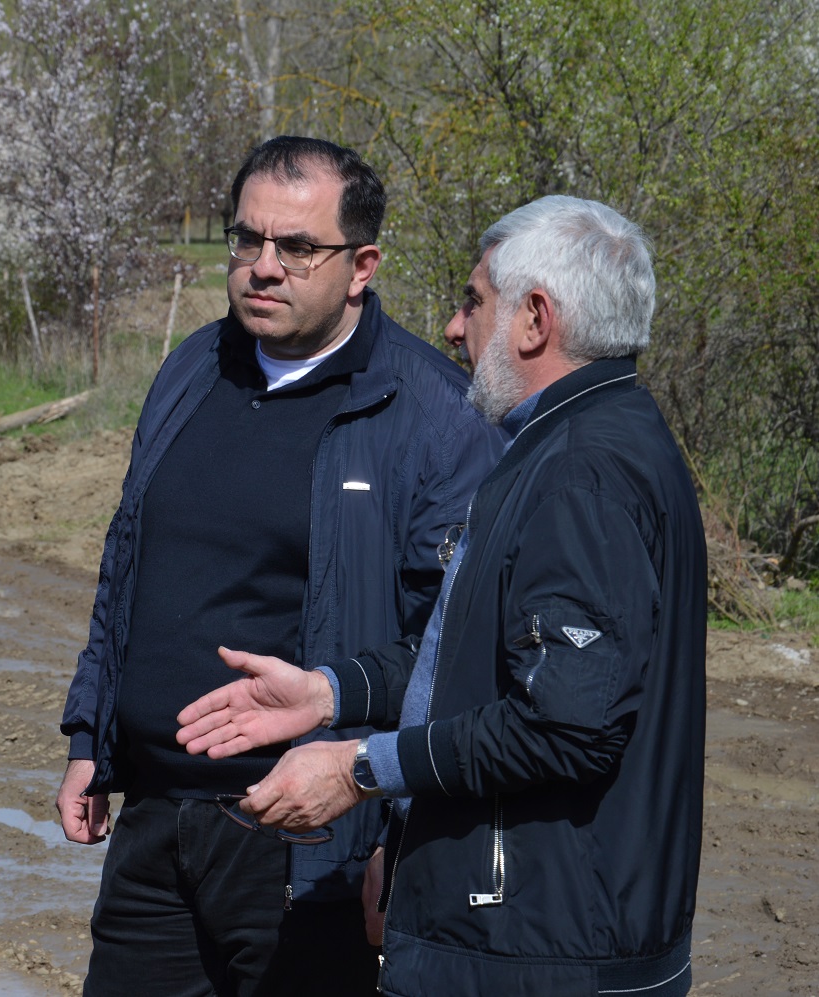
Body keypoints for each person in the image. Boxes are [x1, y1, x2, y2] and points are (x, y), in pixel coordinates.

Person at [177, 195, 706, 996]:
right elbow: (477, 659)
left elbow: (564, 726)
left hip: (537, 957)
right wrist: (329, 694)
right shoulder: (583, 445)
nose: (456, 329)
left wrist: (361, 768)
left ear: (535, 319)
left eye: (473, 301)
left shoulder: (581, 475)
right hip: (540, 938)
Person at [56, 135, 504, 995]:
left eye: (297, 246)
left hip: (311, 841)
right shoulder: (192, 369)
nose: (263, 267)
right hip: (155, 827)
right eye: (247, 239)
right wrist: (92, 738)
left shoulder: (434, 417)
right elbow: (127, 562)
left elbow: (452, 653)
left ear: (362, 265)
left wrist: (396, 831)